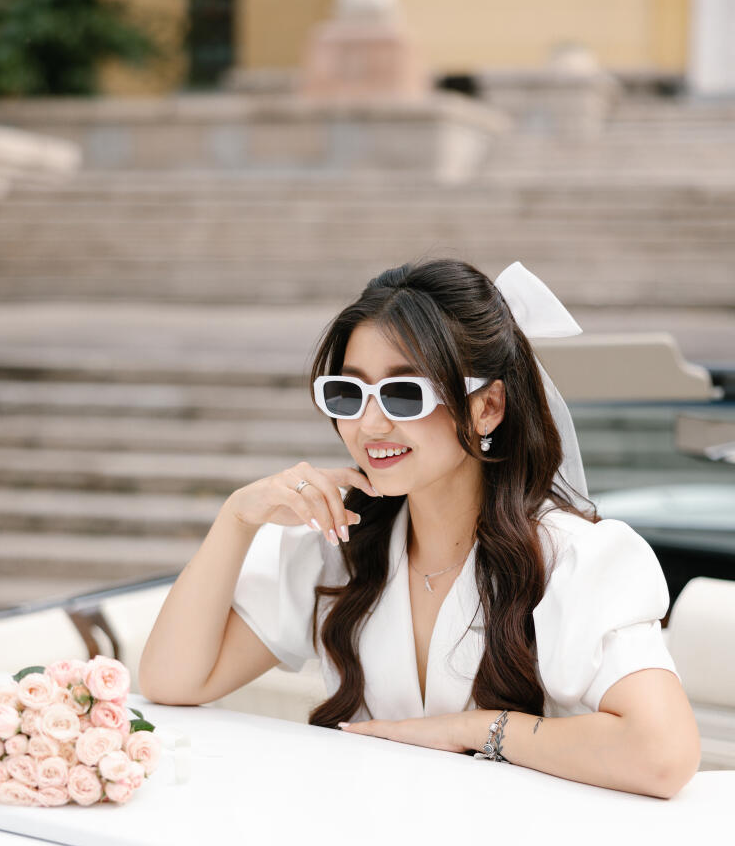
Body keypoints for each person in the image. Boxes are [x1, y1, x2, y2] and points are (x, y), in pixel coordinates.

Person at [138, 258, 700, 799]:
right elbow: (172, 682)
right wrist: (237, 518)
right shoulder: (337, 545)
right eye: (348, 392)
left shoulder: (574, 559)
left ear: (487, 408)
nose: (370, 423)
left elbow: (662, 753)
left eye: (406, 394)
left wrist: (471, 729)